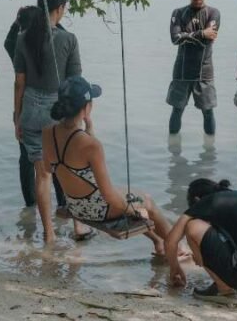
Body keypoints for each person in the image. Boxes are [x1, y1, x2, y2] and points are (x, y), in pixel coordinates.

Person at [42, 76, 177, 253]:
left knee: (127, 197)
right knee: (146, 201)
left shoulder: (47, 132)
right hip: (99, 210)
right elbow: (108, 196)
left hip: (74, 205)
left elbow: (47, 168)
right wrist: (133, 211)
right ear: (86, 107)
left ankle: (158, 242)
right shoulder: (91, 145)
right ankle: (176, 247)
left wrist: (88, 130)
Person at [14, 0, 85, 243]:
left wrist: (16, 116)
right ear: (60, 9)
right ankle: (79, 228)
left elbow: (19, 82)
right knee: (68, 170)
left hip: (30, 109)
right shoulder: (69, 39)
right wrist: (85, 118)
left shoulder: (23, 38)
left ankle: (49, 233)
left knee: (41, 174)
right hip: (57, 110)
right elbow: (75, 83)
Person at [3, 7, 68, 211]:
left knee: (27, 158)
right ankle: (63, 202)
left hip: (27, 107)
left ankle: (30, 203)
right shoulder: (48, 42)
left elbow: (8, 43)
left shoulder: (17, 43)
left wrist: (16, 115)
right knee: (54, 158)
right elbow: (61, 36)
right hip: (48, 107)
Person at [167, 0, 221, 136]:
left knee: (208, 112)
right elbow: (175, 39)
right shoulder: (178, 13)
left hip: (204, 73)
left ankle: (210, 154)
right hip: (181, 73)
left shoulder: (213, 13)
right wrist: (201, 33)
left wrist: (188, 35)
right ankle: (174, 153)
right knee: (177, 110)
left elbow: (207, 40)